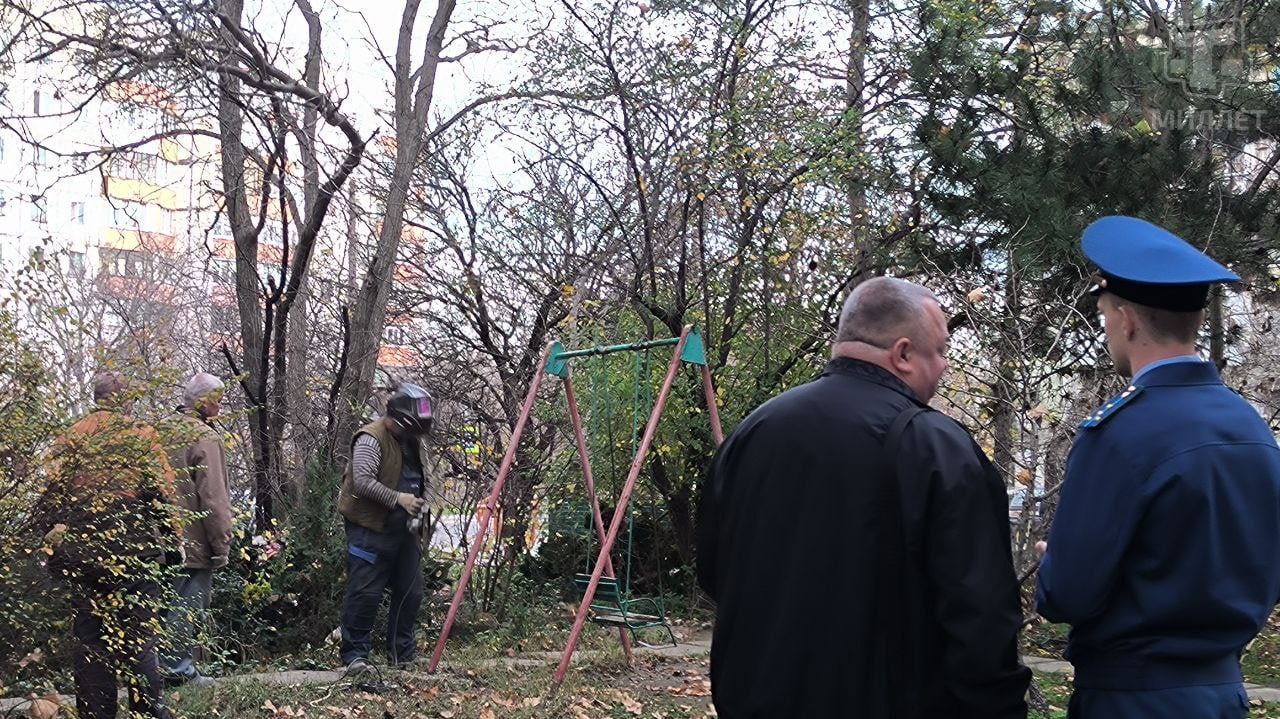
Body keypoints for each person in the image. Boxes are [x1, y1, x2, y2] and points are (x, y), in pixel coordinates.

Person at [696, 277, 1030, 719]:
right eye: (942, 351)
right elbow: (981, 618)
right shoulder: (935, 449)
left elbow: (713, 573)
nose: (946, 366)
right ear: (904, 353)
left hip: (756, 698)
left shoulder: (752, 433)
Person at [1035, 216, 1280, 718]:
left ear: (1125, 319)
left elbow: (1068, 595)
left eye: (1104, 315)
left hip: (1132, 699)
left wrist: (1053, 562)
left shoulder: (1120, 434)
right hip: (1223, 697)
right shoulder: (1254, 431)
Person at [42, 372, 180, 719]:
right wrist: (174, 542)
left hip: (83, 556)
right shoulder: (140, 436)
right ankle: (147, 714)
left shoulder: (71, 438)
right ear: (124, 400)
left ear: (96, 399)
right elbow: (162, 495)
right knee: (139, 641)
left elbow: (50, 500)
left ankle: (96, 714)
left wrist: (57, 554)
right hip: (133, 553)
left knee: (90, 643)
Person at [337, 382, 434, 672]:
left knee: (411, 592)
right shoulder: (370, 438)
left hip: (404, 531)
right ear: (401, 417)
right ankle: (355, 656)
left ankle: (402, 656)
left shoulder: (413, 440)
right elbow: (363, 482)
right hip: (370, 530)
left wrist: (421, 509)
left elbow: (423, 480)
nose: (413, 434)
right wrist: (398, 499)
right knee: (365, 593)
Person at [159, 372, 231, 686]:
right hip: (192, 539)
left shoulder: (160, 429)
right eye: (219, 398)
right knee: (186, 605)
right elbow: (213, 496)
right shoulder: (204, 436)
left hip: (157, 536)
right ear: (207, 401)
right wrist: (222, 543)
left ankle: (154, 670)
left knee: (159, 606)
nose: (222, 404)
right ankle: (177, 671)